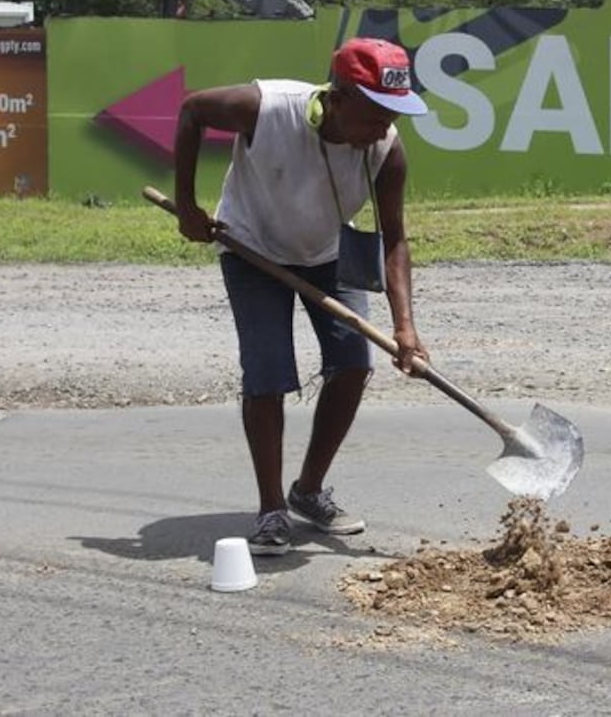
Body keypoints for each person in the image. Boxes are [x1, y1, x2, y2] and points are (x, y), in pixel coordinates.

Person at [173, 37, 430, 555]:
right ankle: (271, 510)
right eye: (377, 113)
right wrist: (186, 206)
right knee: (268, 372)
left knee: (354, 364)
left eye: (394, 114)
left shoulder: (386, 148)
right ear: (337, 100)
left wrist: (405, 328)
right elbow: (191, 109)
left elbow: (395, 238)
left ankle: (307, 491)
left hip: (330, 254)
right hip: (251, 250)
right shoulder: (267, 109)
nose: (385, 127)